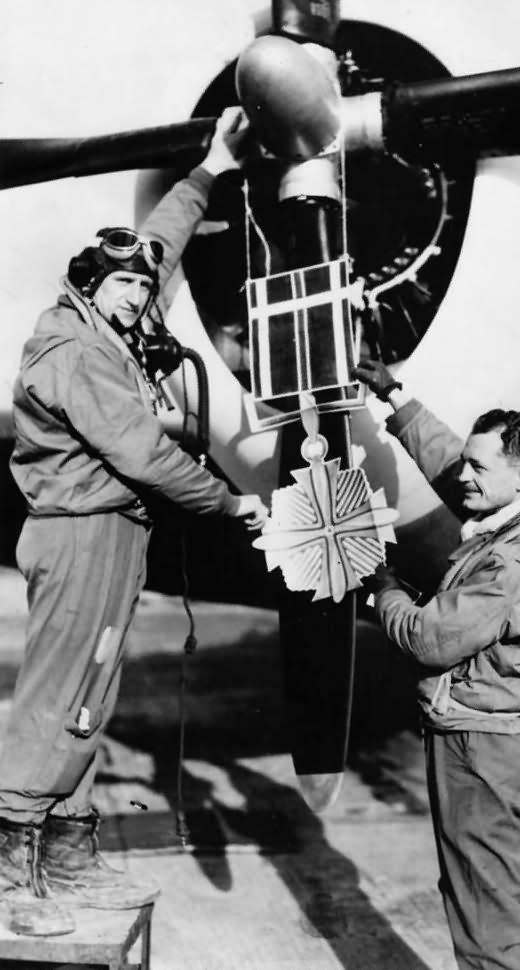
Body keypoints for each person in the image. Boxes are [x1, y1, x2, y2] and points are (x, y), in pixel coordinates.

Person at [0, 107, 269, 937]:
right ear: (86, 285)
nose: (137, 295)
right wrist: (230, 501)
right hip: (80, 533)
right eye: (120, 286)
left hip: (116, 535)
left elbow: (159, 245)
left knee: (92, 698)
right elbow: (145, 456)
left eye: (141, 289)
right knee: (55, 700)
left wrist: (211, 167)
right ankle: (11, 874)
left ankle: (71, 858)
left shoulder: (112, 323)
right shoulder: (76, 352)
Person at [353, 358, 520, 970]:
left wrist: (382, 586)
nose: (464, 478)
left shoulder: (510, 567)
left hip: (480, 750)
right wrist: (395, 398)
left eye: (481, 468)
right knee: (483, 897)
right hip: (499, 738)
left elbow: (426, 640)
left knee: (486, 917)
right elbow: (454, 464)